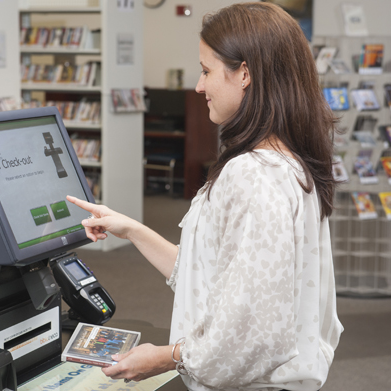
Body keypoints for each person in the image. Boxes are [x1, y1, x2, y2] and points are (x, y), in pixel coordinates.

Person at [67, 2, 343, 390]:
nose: (199, 86)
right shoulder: (288, 164)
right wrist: (131, 230)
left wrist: (165, 357)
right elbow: (218, 280)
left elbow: (249, 330)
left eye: (206, 71)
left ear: (244, 74)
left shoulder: (252, 175)